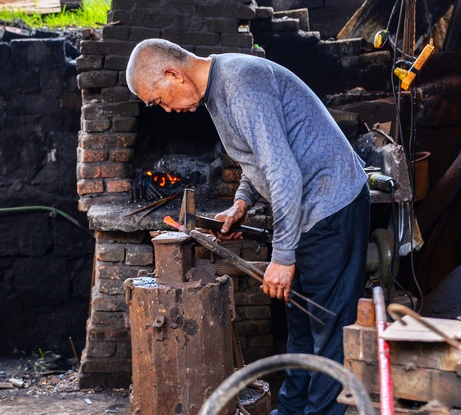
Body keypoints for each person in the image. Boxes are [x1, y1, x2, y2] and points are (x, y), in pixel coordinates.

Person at [126, 38, 370, 415]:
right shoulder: (218, 91)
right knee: (302, 326)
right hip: (307, 208)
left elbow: (284, 174)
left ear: (174, 74)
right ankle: (291, 411)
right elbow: (257, 159)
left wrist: (283, 258)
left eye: (159, 100)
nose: (168, 110)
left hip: (331, 205)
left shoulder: (241, 87)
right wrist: (241, 203)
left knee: (328, 329)